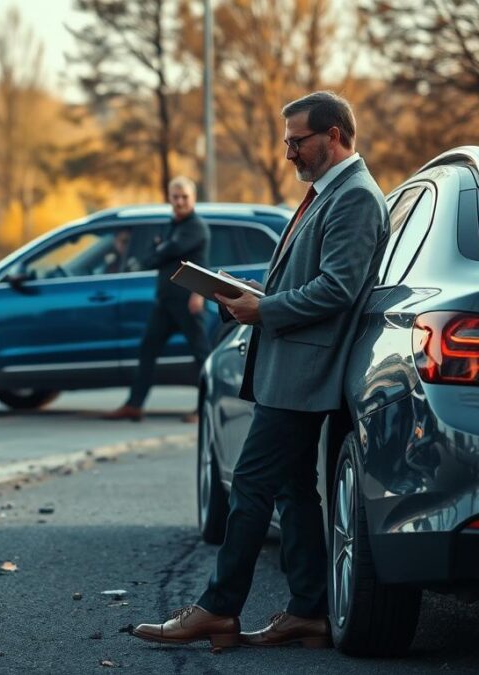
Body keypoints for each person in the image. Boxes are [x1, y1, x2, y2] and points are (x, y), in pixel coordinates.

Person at [131, 91, 388, 649]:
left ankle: (218, 609)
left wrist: (263, 309)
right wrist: (249, 292)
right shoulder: (329, 193)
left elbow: (339, 289)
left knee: (250, 485)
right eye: (287, 141)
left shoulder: (356, 198)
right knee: (294, 490)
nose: (289, 152)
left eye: (297, 141)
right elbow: (315, 279)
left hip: (305, 375)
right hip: (294, 367)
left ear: (335, 136)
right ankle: (309, 612)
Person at [105, 176, 210, 423]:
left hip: (187, 302)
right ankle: (134, 405)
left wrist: (199, 294)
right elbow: (159, 254)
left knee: (201, 355)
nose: (180, 201)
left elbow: (165, 254)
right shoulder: (173, 224)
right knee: (147, 350)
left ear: (193, 199)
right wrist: (159, 250)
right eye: (176, 197)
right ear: (170, 198)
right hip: (165, 302)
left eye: (185, 197)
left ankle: (206, 407)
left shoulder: (195, 227)